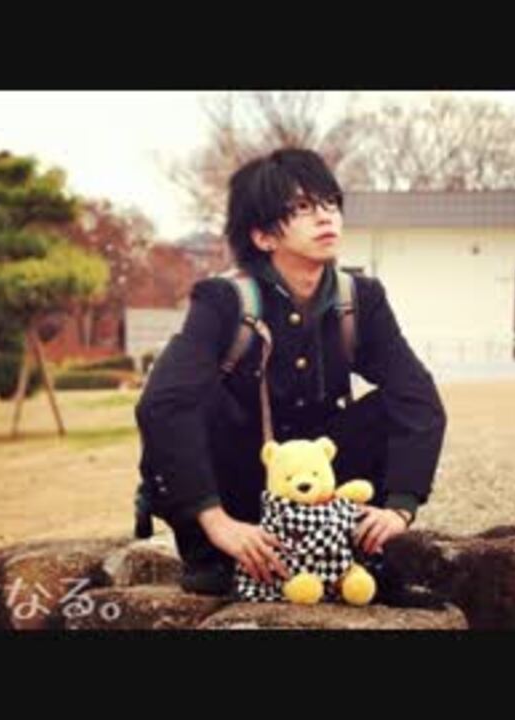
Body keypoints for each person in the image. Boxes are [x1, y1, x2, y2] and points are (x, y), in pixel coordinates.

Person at [134, 147, 446, 598]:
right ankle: (214, 558)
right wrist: (216, 521)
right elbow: (162, 407)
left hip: (322, 493)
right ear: (263, 236)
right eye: (301, 207)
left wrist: (401, 506)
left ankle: (359, 549)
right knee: (185, 397)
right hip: (237, 495)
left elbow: (416, 397)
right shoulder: (223, 300)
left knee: (395, 403)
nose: (325, 217)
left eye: (330, 202)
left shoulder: (360, 299)